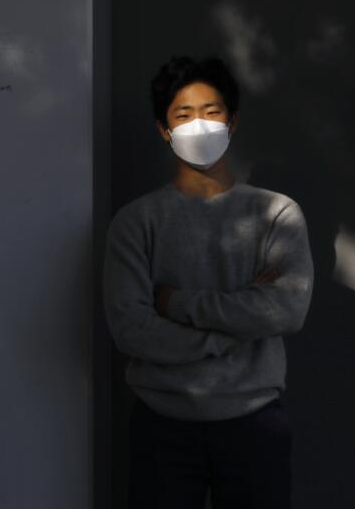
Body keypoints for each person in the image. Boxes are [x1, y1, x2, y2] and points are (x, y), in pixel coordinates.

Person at [103, 56, 313, 509]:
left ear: (233, 121)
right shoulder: (136, 223)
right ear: (164, 129)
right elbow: (130, 329)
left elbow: (287, 309)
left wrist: (176, 303)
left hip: (255, 424)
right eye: (183, 114)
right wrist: (235, 328)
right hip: (162, 427)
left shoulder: (277, 215)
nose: (199, 125)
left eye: (212, 112)